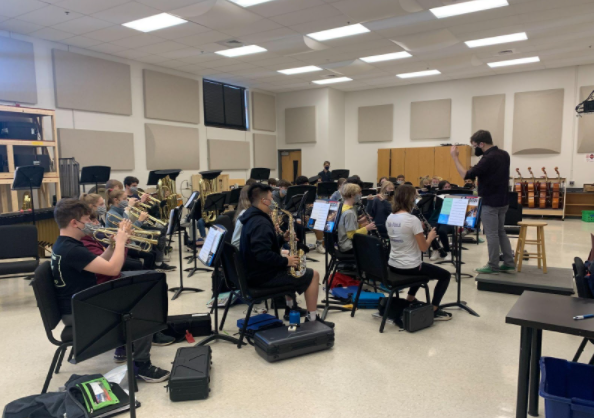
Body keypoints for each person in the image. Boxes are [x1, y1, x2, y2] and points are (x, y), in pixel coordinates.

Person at [51, 198, 171, 382]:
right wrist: (122, 242)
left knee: (147, 282)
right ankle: (141, 364)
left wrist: (113, 244)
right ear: (74, 223)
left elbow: (103, 262)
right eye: (86, 220)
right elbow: (113, 269)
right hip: (81, 309)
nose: (92, 224)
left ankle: (131, 346)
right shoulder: (71, 250)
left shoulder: (66, 244)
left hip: (83, 299)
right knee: (142, 302)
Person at [238, 184, 333, 328]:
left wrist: (282, 239)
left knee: (290, 267)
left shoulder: (252, 217)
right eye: (271, 198)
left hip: (254, 273)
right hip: (261, 277)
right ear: (264, 201)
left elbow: (261, 247)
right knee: (313, 275)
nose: (273, 201)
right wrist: (285, 261)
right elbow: (262, 254)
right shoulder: (260, 223)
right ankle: (312, 319)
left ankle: (290, 308)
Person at [450, 130, 515, 274]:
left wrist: (455, 158)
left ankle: (493, 265)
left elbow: (466, 175)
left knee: (491, 234)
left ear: (482, 144)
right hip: (503, 200)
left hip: (490, 202)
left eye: (475, 146)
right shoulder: (504, 154)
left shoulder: (488, 158)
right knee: (501, 232)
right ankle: (509, 262)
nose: (475, 149)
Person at [386, 185, 452, 321]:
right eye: (415, 197)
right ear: (410, 199)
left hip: (393, 264)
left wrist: (418, 231)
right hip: (409, 267)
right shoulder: (412, 220)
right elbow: (423, 248)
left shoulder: (390, 217)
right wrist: (430, 237)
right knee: (445, 275)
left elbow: (404, 237)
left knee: (421, 267)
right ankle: (434, 309)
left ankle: (410, 299)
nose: (416, 199)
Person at [106, 189, 175, 272]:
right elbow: (129, 230)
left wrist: (138, 213)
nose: (127, 201)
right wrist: (140, 220)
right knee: (150, 254)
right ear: (116, 200)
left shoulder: (121, 211)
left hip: (130, 240)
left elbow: (130, 226)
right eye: (124, 199)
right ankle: (147, 274)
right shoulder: (113, 214)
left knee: (152, 252)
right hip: (125, 244)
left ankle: (152, 270)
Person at [337, 183, 376, 253]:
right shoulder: (349, 213)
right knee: (375, 247)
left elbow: (346, 226)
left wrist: (359, 222)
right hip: (349, 246)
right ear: (352, 195)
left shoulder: (343, 207)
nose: (361, 194)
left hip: (344, 244)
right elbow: (351, 235)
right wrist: (367, 228)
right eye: (359, 192)